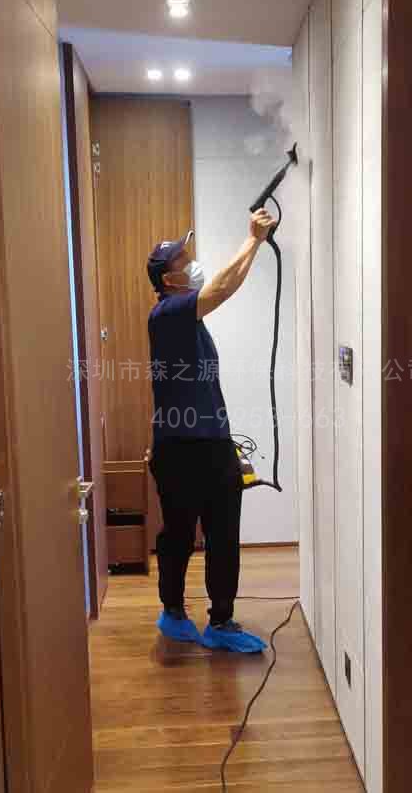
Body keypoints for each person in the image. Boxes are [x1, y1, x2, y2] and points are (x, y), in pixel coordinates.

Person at [145, 209, 276, 654]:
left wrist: (227, 445)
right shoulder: (166, 314)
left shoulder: (191, 322)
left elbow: (222, 287)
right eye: (183, 261)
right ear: (169, 280)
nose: (192, 263)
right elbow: (221, 288)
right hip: (179, 449)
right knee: (179, 536)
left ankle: (221, 621)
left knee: (223, 536)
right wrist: (253, 240)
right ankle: (173, 613)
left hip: (212, 443)